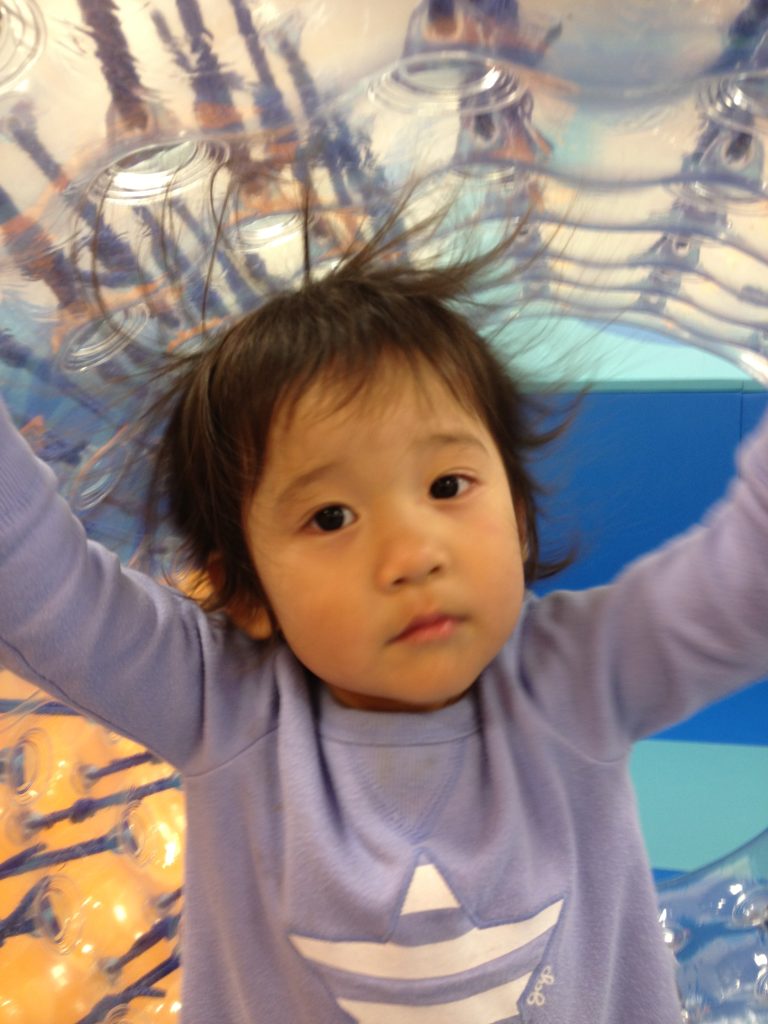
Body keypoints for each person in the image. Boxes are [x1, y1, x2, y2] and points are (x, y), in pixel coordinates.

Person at [0, 205, 767, 1024]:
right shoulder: (223, 705)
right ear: (246, 593)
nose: (413, 554)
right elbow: (32, 578)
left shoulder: (578, 679)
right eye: (331, 517)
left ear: (519, 521)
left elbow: (743, 581)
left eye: (447, 486)